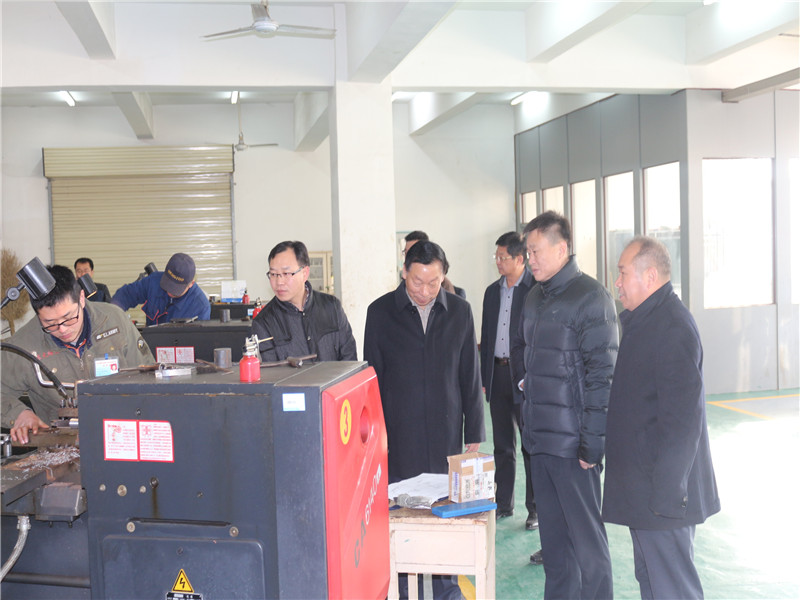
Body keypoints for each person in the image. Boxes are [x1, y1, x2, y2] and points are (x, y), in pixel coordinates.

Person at [364, 240, 484, 600]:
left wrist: (474, 430)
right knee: (402, 513)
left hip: (446, 430)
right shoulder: (380, 312)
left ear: (443, 276)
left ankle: (448, 588)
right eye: (418, 281)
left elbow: (470, 374)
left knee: (444, 510)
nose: (425, 290)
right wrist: (376, 435)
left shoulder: (459, 312)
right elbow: (372, 379)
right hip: (399, 433)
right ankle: (403, 589)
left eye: (434, 282)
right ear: (404, 272)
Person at [603, 236, 720, 600]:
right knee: (653, 583)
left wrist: (667, 499)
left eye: (623, 273)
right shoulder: (646, 321)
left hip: (663, 499)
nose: (617, 283)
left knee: (672, 588)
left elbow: (683, 423)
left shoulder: (672, 327)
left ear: (650, 276)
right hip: (645, 492)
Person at [510, 211, 618, 599]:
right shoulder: (535, 297)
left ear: (562, 249)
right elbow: (529, 358)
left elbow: (602, 378)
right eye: (527, 251)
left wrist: (592, 446)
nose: (530, 259)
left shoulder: (591, 298)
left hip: (574, 450)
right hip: (540, 442)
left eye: (536, 251)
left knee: (588, 547)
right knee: (555, 551)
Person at [1, 265, 155, 443]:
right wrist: (19, 414)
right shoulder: (23, 345)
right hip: (61, 447)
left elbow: (150, 377)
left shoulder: (115, 321)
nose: (63, 329)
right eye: (50, 323)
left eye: (69, 318)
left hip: (124, 436)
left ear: (81, 298)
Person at [479, 231, 537, 528]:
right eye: (497, 257)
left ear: (519, 258)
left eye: (503, 257)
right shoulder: (492, 292)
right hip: (497, 374)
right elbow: (486, 335)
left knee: (530, 445)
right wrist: (484, 376)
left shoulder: (535, 290)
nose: (498, 262)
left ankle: (535, 509)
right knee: (502, 445)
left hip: (523, 377)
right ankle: (504, 502)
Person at [250, 240, 357, 361]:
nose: (279, 282)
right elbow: (271, 370)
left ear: (305, 273)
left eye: (286, 273)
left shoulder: (332, 306)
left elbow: (350, 358)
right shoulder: (264, 323)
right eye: (273, 274)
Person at [111, 252, 210, 325]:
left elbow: (198, 341)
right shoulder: (153, 281)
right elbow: (125, 295)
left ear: (191, 283)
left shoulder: (201, 306)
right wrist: (113, 314)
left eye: (175, 290)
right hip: (151, 343)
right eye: (168, 285)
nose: (169, 292)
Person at [402, 231, 466, 299]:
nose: (424, 293)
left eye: (432, 284)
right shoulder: (399, 293)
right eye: (406, 252)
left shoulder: (456, 296)